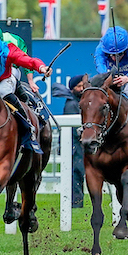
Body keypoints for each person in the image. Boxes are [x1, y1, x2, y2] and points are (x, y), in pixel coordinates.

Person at [51, 74, 87, 208]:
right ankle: (76, 203)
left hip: (74, 145)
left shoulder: (74, 102)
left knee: (77, 172)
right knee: (76, 172)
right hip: (74, 145)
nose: (82, 89)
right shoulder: (72, 104)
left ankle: (77, 202)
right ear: (72, 88)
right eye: (79, 86)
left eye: (83, 86)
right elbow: (74, 129)